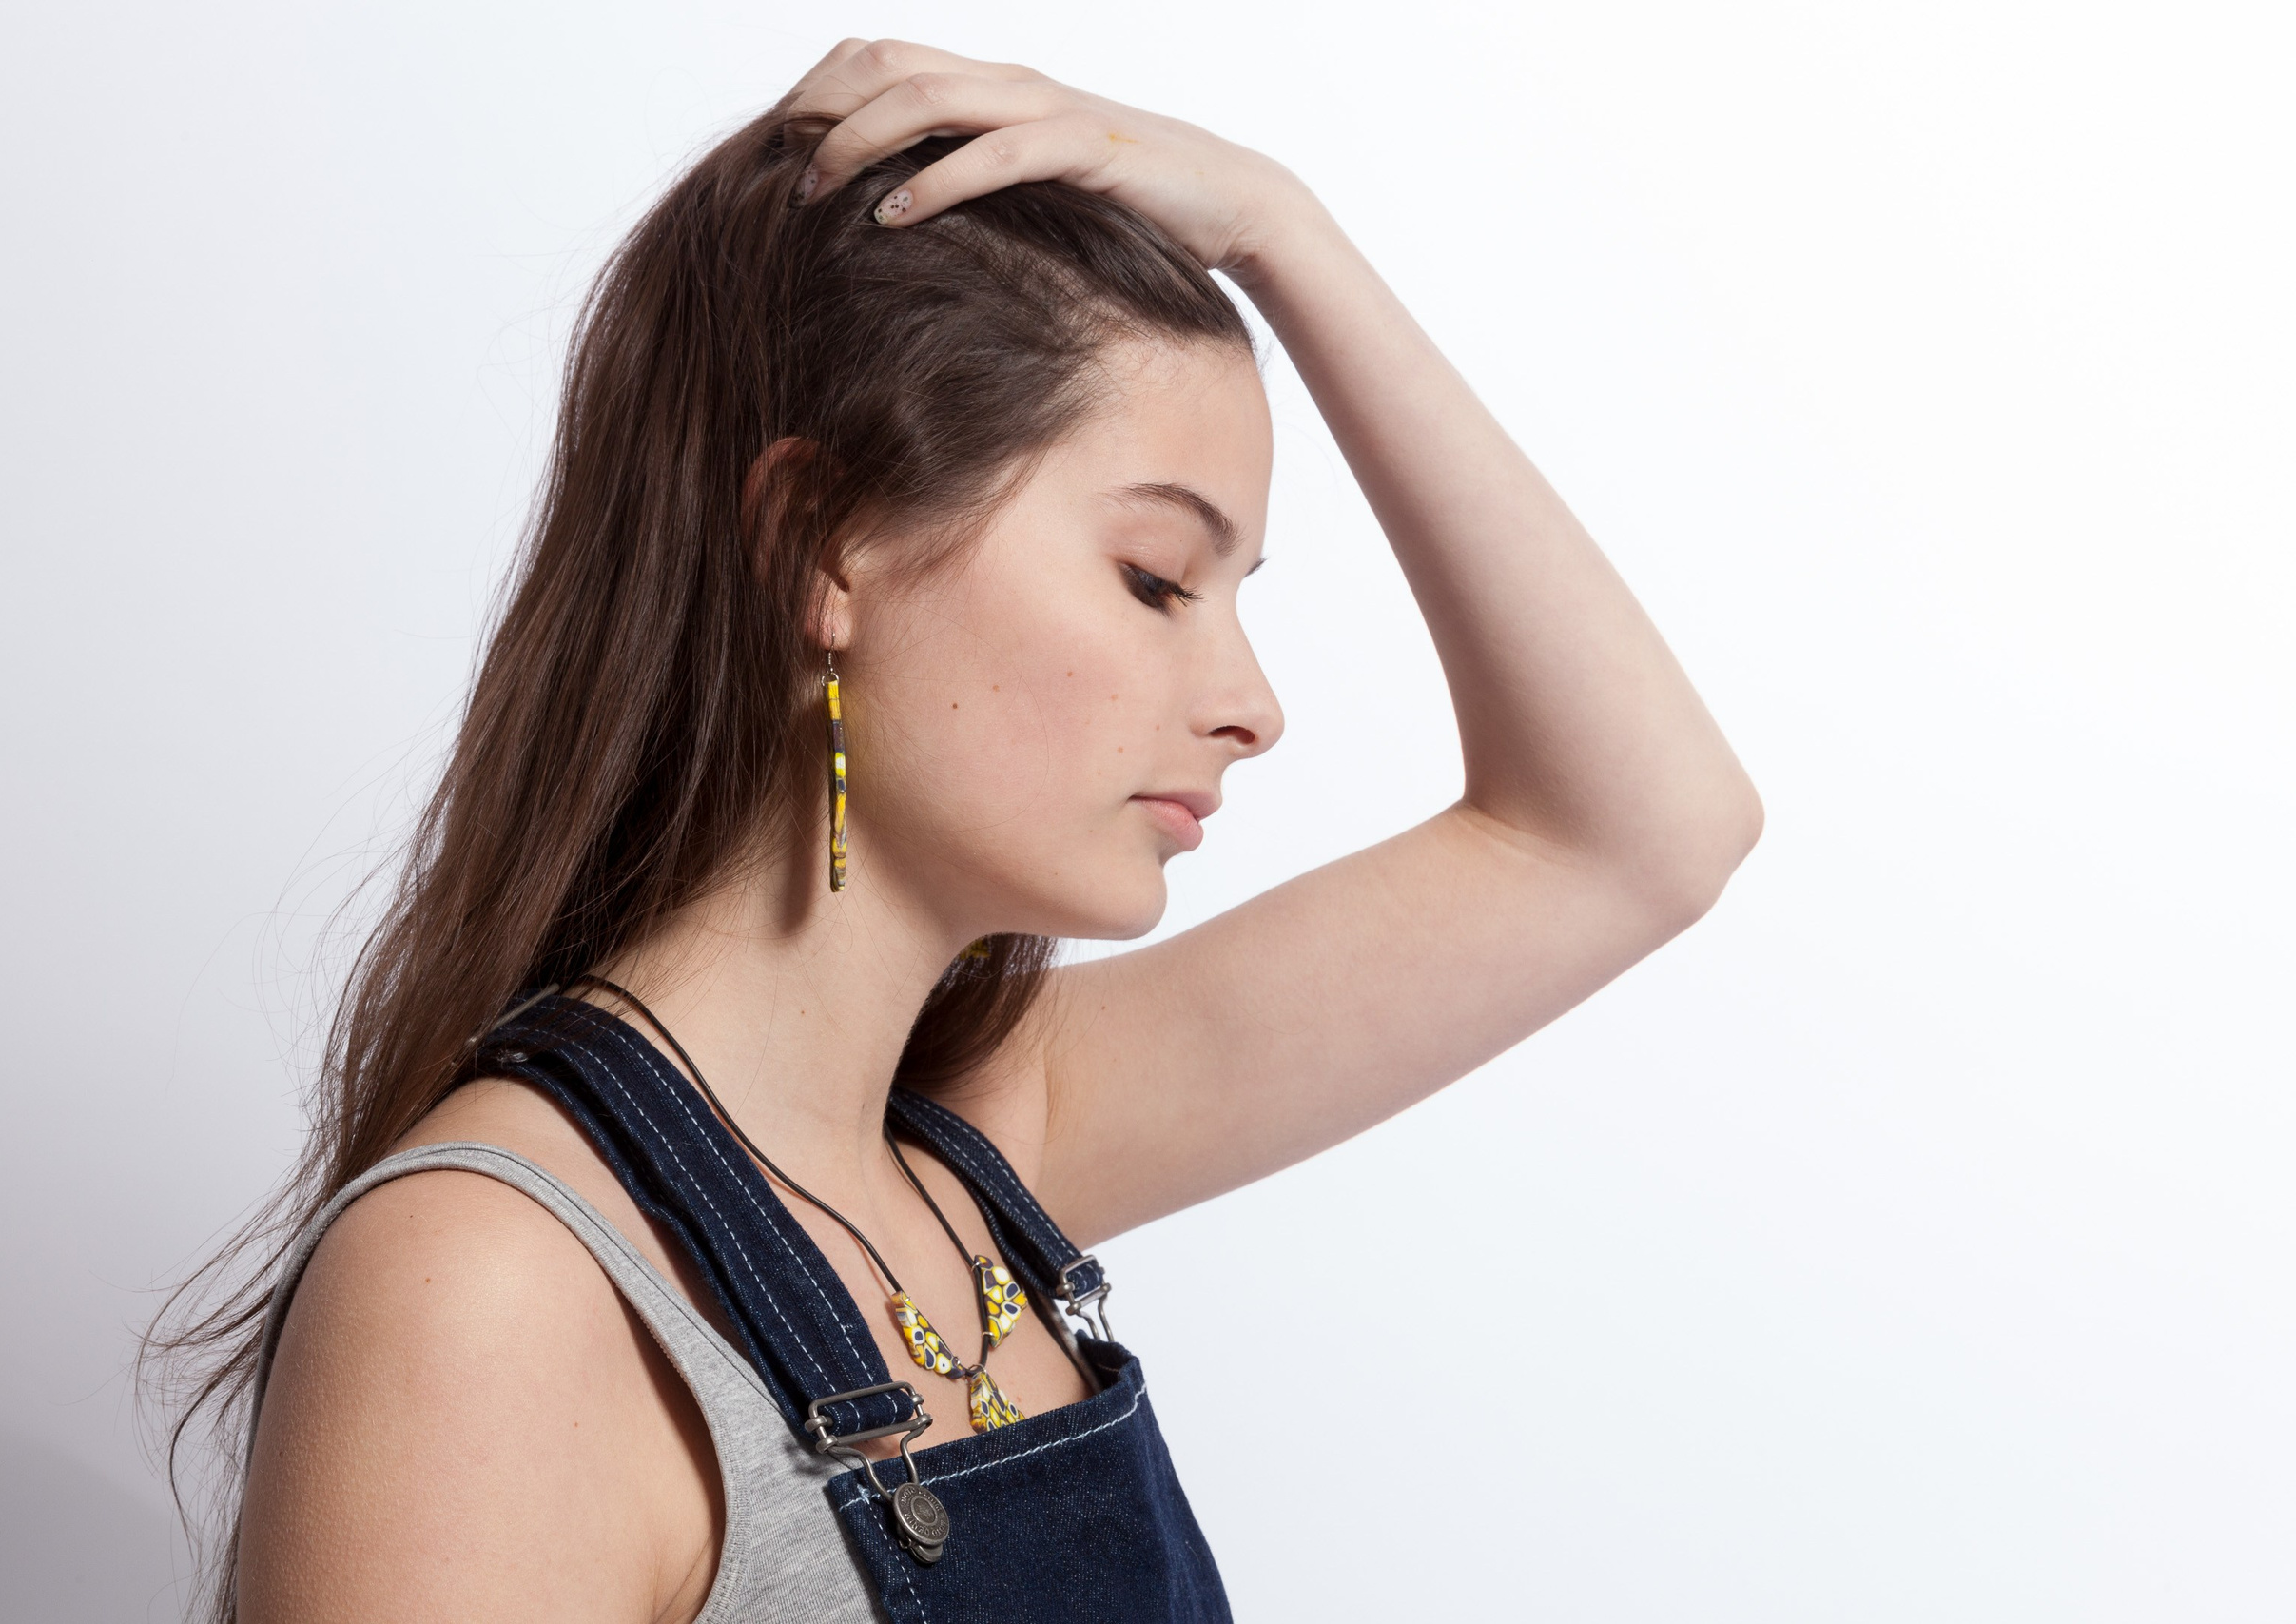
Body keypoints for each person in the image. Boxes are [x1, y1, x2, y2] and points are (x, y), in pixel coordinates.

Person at [165, 36, 1762, 1624]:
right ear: (823, 545)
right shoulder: (494, 1294)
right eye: (1154, 579)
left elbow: (1641, 830)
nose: (1251, 704)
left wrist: (1289, 234)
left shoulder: (971, 1150)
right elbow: (1622, 835)